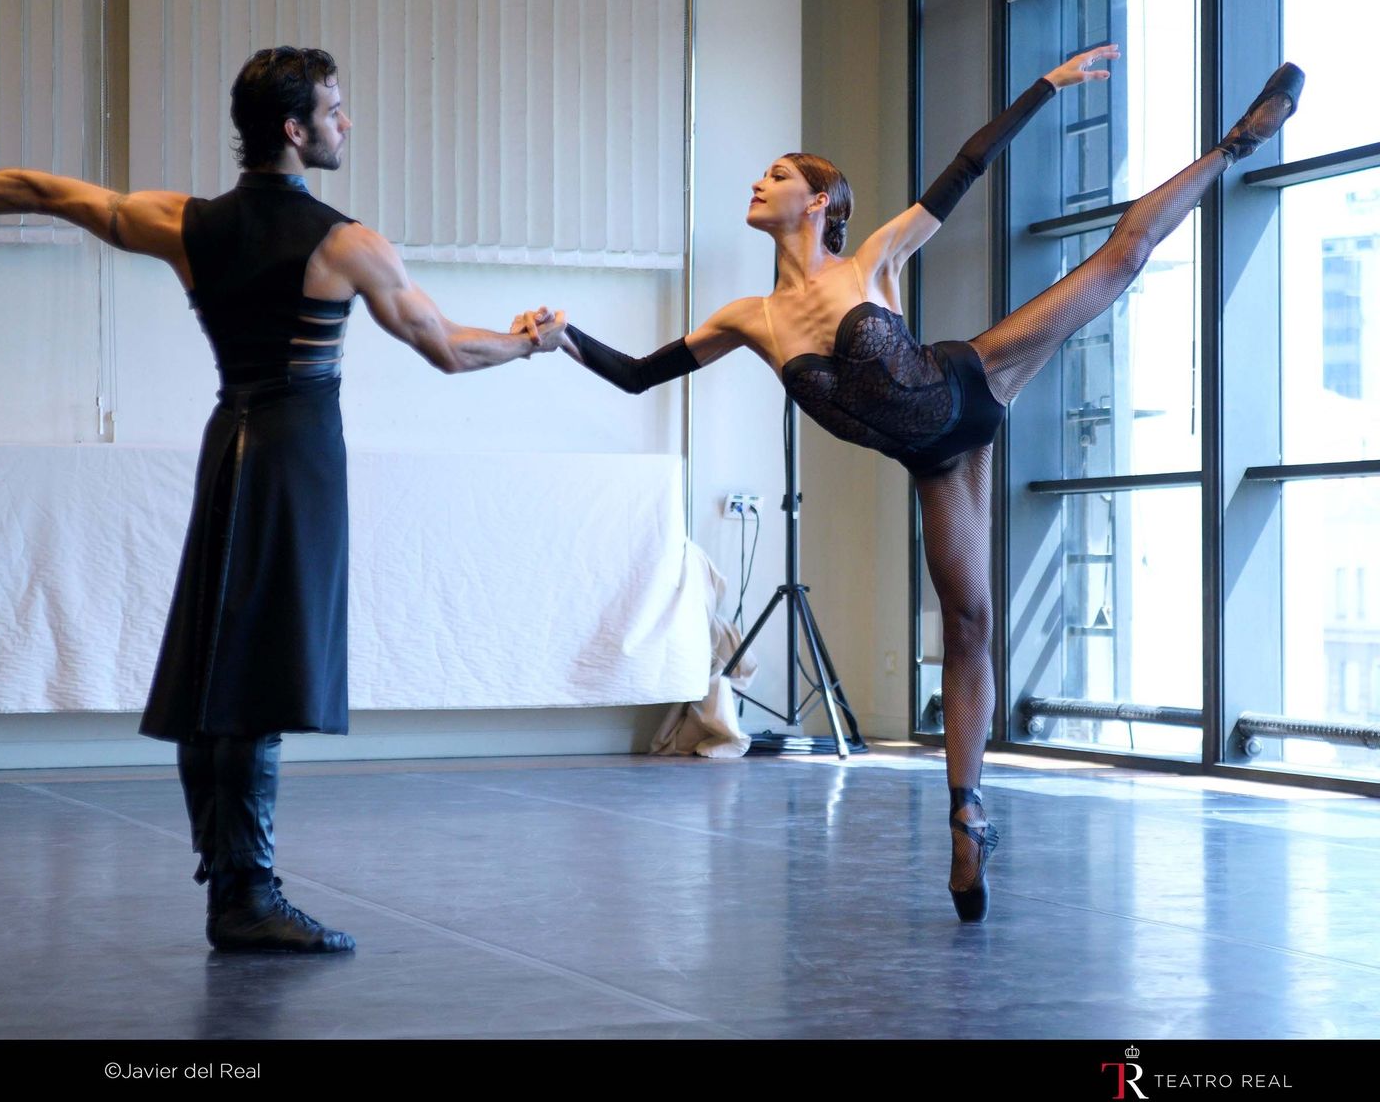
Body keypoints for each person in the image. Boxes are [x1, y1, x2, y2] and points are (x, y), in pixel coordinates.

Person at [0, 46, 570, 953]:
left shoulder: (184, 224)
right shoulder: (348, 242)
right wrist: (532, 341)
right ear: (294, 130)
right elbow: (448, 346)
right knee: (249, 673)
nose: (345, 123)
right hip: (293, 460)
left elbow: (40, 190)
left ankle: (237, 890)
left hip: (233, 443)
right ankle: (246, 896)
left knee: (222, 664)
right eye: (335, 110)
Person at [522, 49, 1303, 922]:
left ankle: (1239, 140)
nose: (758, 180)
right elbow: (637, 374)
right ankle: (968, 818)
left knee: (1121, 259)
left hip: (971, 379)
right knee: (968, 626)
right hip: (939, 464)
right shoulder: (749, 320)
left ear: (818, 202)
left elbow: (966, 166)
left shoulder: (874, 260)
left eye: (776, 174)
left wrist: (1048, 85)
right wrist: (567, 338)